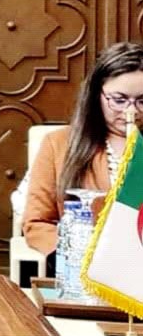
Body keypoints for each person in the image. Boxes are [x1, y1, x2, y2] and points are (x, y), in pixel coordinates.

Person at [23, 42, 143, 256]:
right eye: (119, 100)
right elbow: (37, 224)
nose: (131, 111)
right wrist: (80, 253)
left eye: (142, 101)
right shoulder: (58, 144)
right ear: (97, 96)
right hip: (82, 264)